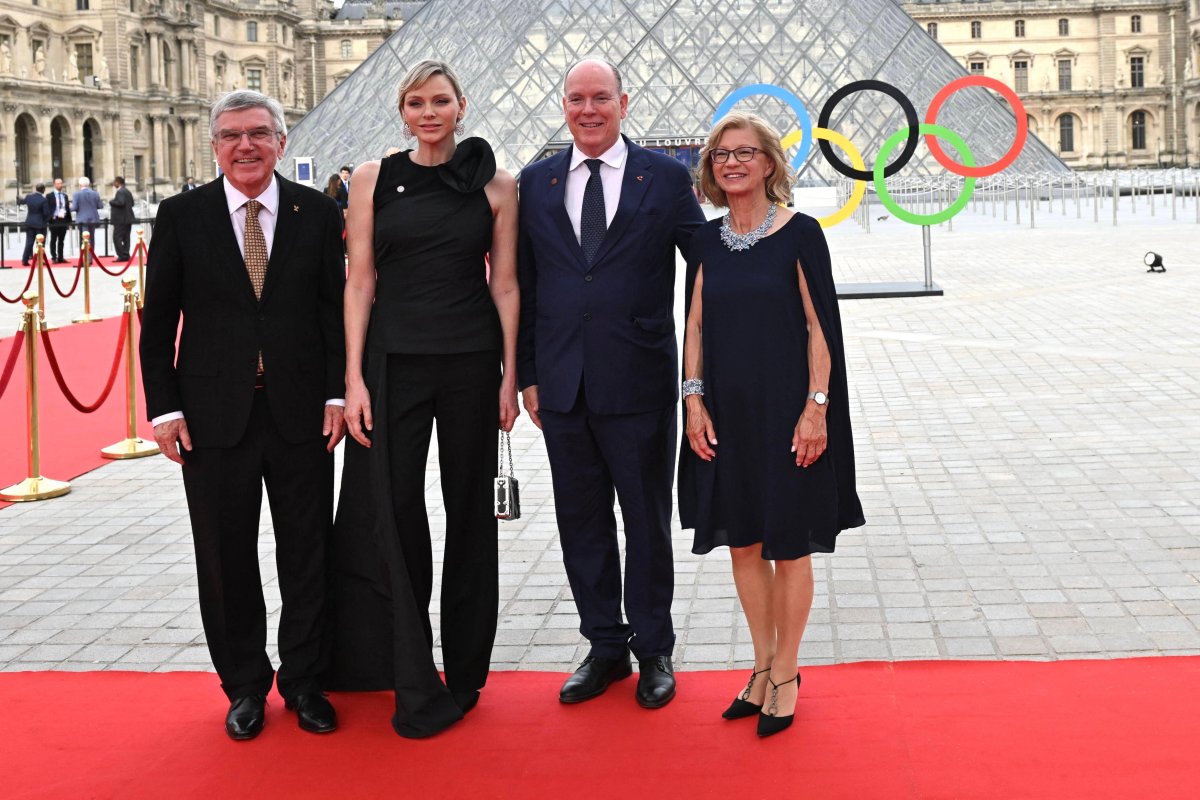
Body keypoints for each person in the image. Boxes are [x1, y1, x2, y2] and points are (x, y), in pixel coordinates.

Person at [139, 89, 347, 741]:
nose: (245, 145)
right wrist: (164, 408)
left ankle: (306, 680)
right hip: (209, 414)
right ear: (215, 146)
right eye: (231, 135)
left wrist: (337, 395)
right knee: (224, 557)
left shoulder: (315, 212)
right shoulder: (181, 216)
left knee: (307, 553)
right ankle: (244, 687)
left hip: (301, 411)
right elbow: (158, 322)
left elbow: (332, 311)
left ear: (282, 142)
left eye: (258, 133)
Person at [328, 59, 519, 739]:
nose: (429, 112)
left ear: (462, 105)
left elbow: (505, 285)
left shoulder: (497, 186)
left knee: (470, 513)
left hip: (470, 363)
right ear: (401, 112)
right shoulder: (372, 179)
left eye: (441, 101)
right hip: (391, 366)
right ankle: (414, 671)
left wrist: (509, 374)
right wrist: (352, 379)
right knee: (396, 514)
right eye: (416, 102)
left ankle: (466, 671)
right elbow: (359, 283)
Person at [516, 58, 705, 709]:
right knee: (582, 524)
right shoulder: (536, 182)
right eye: (576, 98)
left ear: (624, 101)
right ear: (562, 104)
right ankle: (604, 646)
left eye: (601, 98)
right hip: (562, 389)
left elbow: (706, 271)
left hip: (641, 385)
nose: (588, 109)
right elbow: (525, 284)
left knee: (647, 523)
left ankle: (654, 649)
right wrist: (528, 376)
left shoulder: (667, 179)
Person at [678, 113, 865, 738]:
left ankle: (787, 671)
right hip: (726, 412)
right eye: (721, 154)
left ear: (768, 164)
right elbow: (695, 326)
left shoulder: (802, 233)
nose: (732, 163)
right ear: (711, 167)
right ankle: (760, 665)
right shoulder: (703, 242)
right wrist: (693, 401)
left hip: (787, 411)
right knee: (744, 543)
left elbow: (821, 326)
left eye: (745, 153)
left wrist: (818, 408)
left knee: (788, 542)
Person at [17, 183, 50, 266]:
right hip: (40, 224)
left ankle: (25, 260)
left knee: (29, 242)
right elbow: (46, 213)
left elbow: (21, 202)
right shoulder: (43, 200)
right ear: (43, 190)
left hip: (30, 222)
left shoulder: (29, 197)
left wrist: (18, 198)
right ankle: (39, 260)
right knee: (40, 243)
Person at [46, 178, 72, 263]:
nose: (59, 185)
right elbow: (48, 208)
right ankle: (54, 257)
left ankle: (61, 257)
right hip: (54, 220)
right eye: (57, 184)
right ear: (54, 184)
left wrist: (69, 221)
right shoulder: (50, 196)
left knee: (61, 239)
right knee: (53, 239)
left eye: (60, 183)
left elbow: (67, 208)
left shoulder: (65, 195)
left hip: (63, 219)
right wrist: (48, 219)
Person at [109, 177, 135, 262]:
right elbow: (132, 203)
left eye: (114, 182)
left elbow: (121, 202)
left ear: (118, 182)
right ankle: (126, 254)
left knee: (117, 237)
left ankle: (122, 255)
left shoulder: (120, 192)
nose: (113, 184)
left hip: (120, 219)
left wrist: (112, 202)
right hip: (128, 218)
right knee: (126, 237)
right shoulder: (127, 191)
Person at [71, 177, 102, 245]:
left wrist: (68, 208)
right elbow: (100, 206)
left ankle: (86, 255)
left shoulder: (76, 194)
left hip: (82, 219)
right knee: (92, 238)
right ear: (88, 184)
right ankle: (91, 254)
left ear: (80, 185)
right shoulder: (95, 193)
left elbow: (74, 208)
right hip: (93, 218)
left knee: (85, 238)